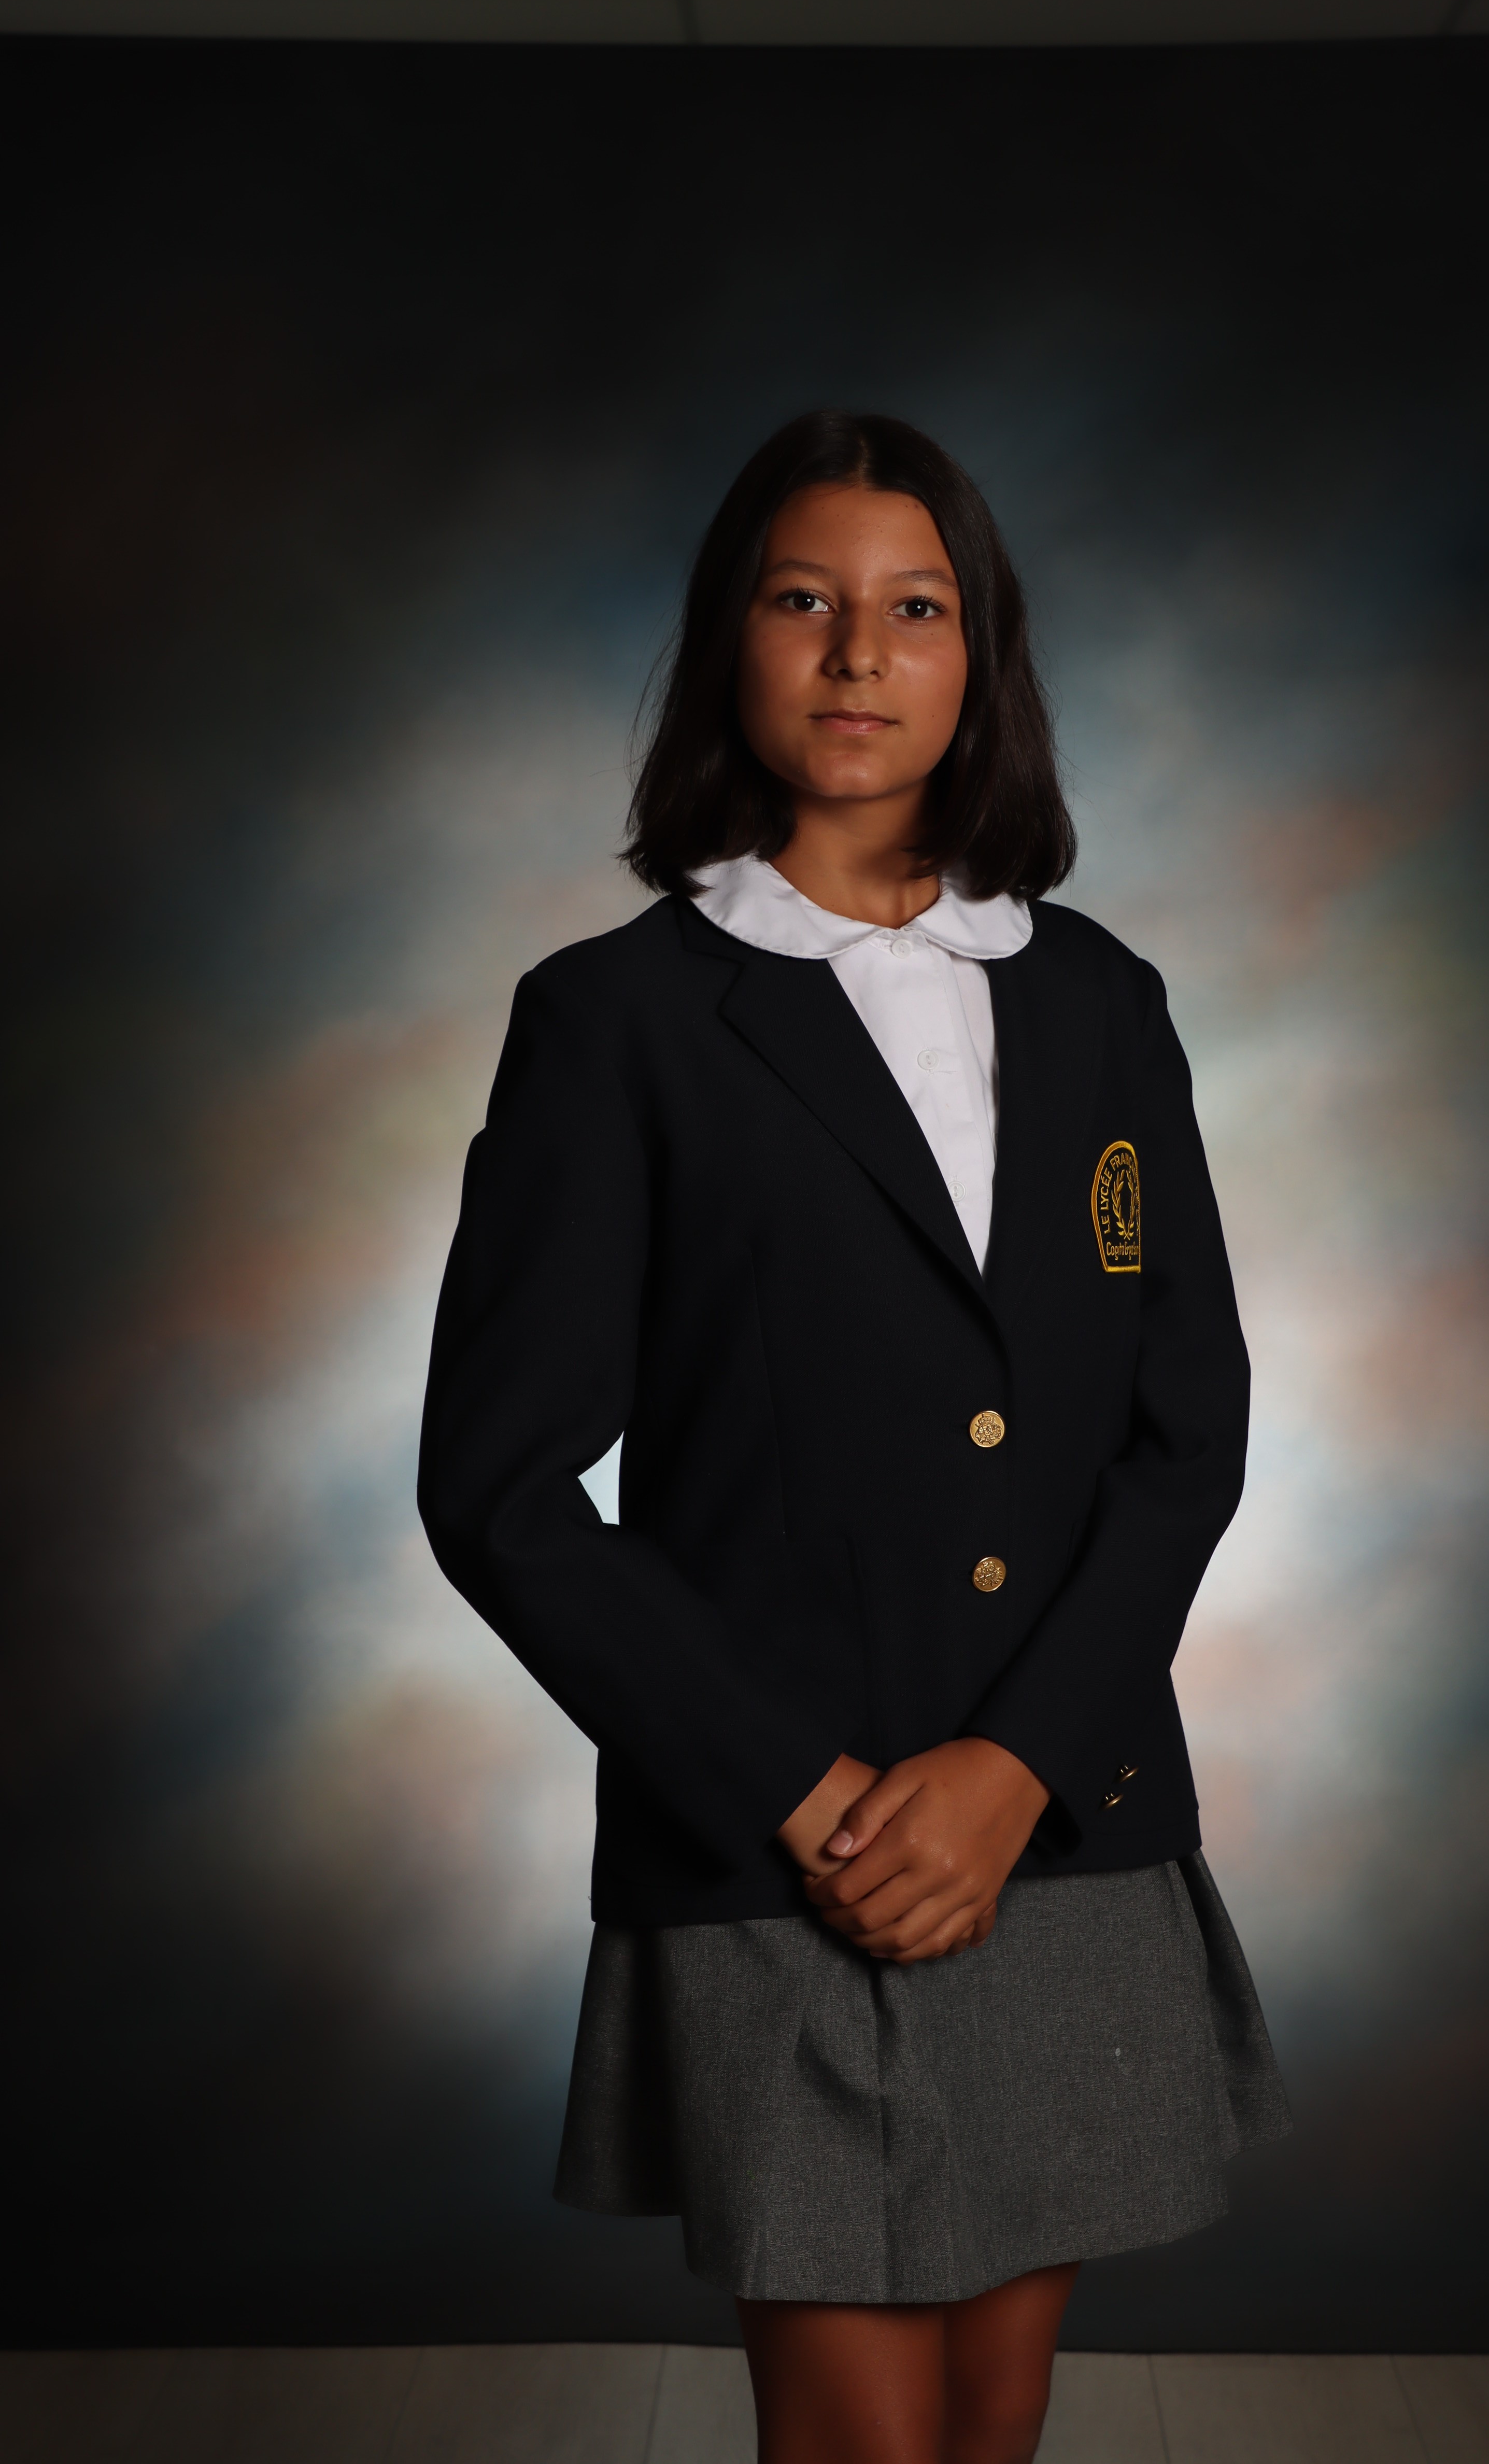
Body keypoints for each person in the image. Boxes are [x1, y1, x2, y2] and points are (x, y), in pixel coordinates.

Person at [418, 411, 1289, 2464]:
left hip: (1057, 1821)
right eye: (802, 600)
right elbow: (503, 1495)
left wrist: (1012, 1765)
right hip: (776, 1847)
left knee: (990, 2424)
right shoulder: (614, 1020)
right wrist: (804, 1795)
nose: (856, 655)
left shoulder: (1099, 1003)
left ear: (981, 658)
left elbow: (1187, 1433)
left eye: (917, 610)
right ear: (730, 638)